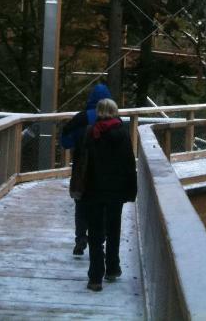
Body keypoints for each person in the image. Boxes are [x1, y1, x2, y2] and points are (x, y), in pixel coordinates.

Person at [80, 98, 137, 292]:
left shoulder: (91, 132)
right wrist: (131, 190)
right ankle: (112, 268)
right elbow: (130, 163)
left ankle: (95, 278)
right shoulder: (122, 133)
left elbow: (82, 163)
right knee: (113, 229)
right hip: (116, 191)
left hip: (93, 191)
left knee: (95, 234)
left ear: (98, 112)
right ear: (115, 112)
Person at [60, 82, 112, 256]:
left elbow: (66, 141)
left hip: (81, 169)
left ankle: (80, 239)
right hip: (104, 171)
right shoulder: (112, 121)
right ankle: (99, 242)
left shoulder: (80, 118)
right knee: (102, 207)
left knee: (81, 205)